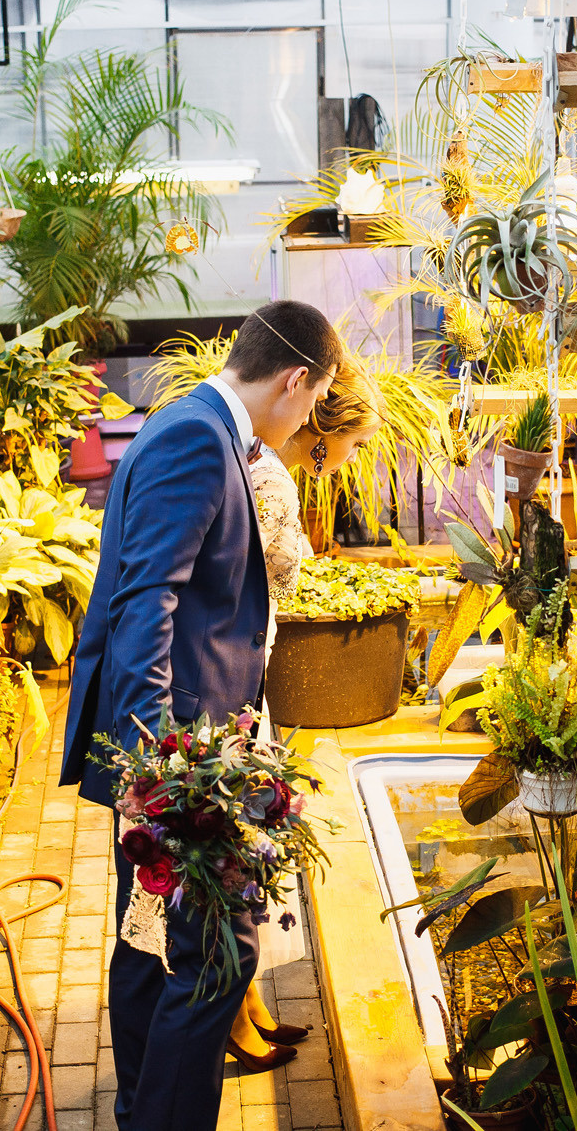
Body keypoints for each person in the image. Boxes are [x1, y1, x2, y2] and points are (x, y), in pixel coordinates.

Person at [60, 299, 345, 1131]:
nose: (305, 421)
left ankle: (141, 1107)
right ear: (297, 379)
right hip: (180, 756)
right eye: (315, 400)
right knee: (221, 954)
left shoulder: (195, 424)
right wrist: (158, 773)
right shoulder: (194, 438)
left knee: (153, 944)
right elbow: (145, 601)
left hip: (186, 743)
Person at [226, 357, 384, 1072]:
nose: (352, 459)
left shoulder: (264, 465)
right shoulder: (272, 479)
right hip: (231, 680)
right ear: (327, 432)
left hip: (246, 673)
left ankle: (246, 1001)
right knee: (235, 852)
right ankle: (232, 1013)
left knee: (247, 851)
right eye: (354, 445)